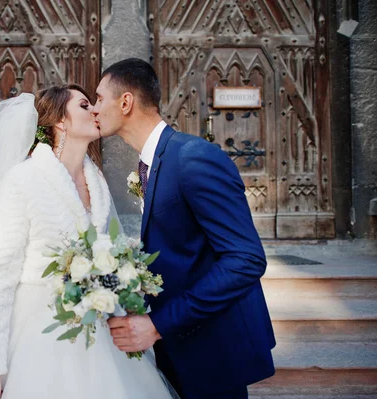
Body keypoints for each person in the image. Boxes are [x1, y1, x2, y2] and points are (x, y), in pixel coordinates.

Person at [0, 85, 176, 399]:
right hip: (37, 330)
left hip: (96, 327)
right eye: (84, 105)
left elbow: (109, 249)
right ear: (60, 123)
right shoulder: (24, 180)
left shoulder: (97, 181)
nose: (94, 110)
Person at [92, 58, 276, 399]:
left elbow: (245, 259)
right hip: (181, 345)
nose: (94, 109)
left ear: (126, 102)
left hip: (213, 349)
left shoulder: (193, 157)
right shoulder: (153, 162)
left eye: (100, 99)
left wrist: (159, 324)